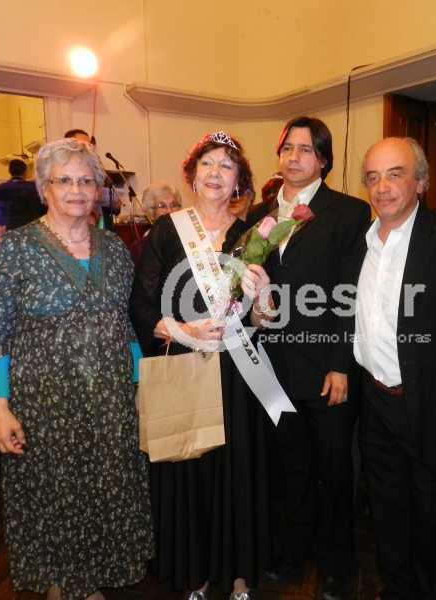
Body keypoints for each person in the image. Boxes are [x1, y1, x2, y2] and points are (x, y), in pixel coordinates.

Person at [0, 138, 153, 600]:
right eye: (64, 180)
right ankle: (63, 584)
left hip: (112, 399)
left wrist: (141, 385)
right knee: (55, 495)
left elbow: (127, 324)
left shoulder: (114, 247)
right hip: (44, 402)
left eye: (86, 181)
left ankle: (89, 580)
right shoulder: (16, 247)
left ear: (98, 189)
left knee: (105, 489)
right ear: (44, 188)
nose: (76, 190)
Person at [129, 131, 272, 600]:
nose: (215, 173)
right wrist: (182, 330)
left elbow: (265, 320)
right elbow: (140, 305)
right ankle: (197, 573)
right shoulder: (167, 231)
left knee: (237, 472)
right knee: (191, 470)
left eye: (227, 166)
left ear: (239, 182)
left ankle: (239, 573)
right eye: (207, 163)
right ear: (192, 176)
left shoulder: (251, 237)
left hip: (237, 373)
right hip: (186, 365)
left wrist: (264, 295)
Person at [252, 116, 370, 600]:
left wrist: (341, 364)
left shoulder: (348, 212)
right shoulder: (259, 214)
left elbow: (351, 293)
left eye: (306, 149)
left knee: (334, 472)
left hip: (326, 368)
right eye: (288, 148)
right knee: (289, 468)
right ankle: (291, 554)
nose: (294, 157)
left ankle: (337, 565)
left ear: (323, 159)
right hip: (272, 369)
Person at [352, 138, 436, 599]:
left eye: (395, 174)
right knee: (387, 503)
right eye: (373, 177)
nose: (382, 187)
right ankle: (396, 588)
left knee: (430, 511)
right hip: (373, 399)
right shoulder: (361, 241)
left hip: (428, 402)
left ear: (421, 182)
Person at [62, 129, 121, 230]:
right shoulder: (61, 171)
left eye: (89, 145)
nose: (88, 148)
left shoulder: (96, 169)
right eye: (83, 145)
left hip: (100, 227)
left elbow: (115, 204)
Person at [0, 158, 45, 231]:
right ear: (25, 172)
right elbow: (41, 211)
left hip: (7, 230)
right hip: (29, 229)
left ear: (9, 171)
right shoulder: (33, 188)